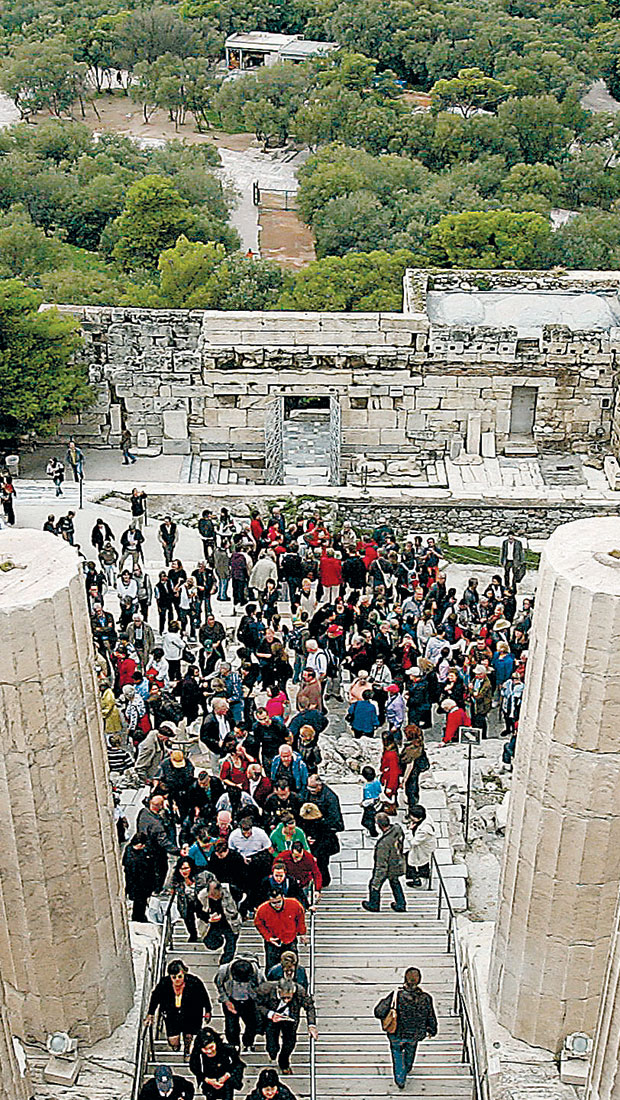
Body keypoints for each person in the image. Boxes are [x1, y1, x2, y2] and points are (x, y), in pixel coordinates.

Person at [374, 967, 438, 1089]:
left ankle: (400, 1079)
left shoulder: (396, 995)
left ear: (405, 979)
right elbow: (431, 1017)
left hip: (396, 1032)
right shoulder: (426, 998)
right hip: (415, 1034)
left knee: (397, 1052)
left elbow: (379, 1012)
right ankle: (407, 1067)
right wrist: (432, 1030)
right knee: (411, 1050)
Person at [146, 960, 212, 1056]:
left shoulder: (194, 982)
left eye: (180, 977)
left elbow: (204, 996)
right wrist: (150, 1013)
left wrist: (208, 1010)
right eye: (174, 977)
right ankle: (176, 1046)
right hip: (172, 1013)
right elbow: (156, 997)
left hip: (191, 1013)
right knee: (173, 1040)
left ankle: (187, 1048)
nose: (177, 980)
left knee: (189, 1034)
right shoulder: (164, 983)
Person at [256, 978, 318, 1076]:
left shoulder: (300, 991)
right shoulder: (265, 989)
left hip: (290, 1020)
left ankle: (284, 1062)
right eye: (284, 997)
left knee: (290, 1042)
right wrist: (270, 1014)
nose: (286, 1000)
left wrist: (311, 1025)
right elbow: (257, 1004)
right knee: (271, 1043)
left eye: (289, 998)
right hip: (272, 1019)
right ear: (278, 991)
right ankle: (273, 1053)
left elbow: (309, 1006)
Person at [215, 956, 265, 1051]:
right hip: (231, 1000)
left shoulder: (258, 974)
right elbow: (219, 984)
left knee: (252, 1024)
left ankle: (248, 1043)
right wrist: (226, 1001)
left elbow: (263, 989)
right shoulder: (223, 970)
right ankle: (234, 1045)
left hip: (249, 1001)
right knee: (231, 1025)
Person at [362, 812, 406, 913]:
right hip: (397, 861)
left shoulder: (383, 843)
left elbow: (381, 864)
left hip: (388, 865)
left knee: (374, 884)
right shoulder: (397, 829)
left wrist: (377, 879)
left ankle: (374, 904)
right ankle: (401, 904)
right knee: (395, 882)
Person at [254, 889, 307, 972]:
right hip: (273, 941)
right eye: (273, 903)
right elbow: (259, 924)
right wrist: (268, 937)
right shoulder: (262, 910)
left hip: (290, 939)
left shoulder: (294, 904)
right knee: (271, 965)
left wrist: (302, 933)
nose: (277, 905)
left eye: (279, 902)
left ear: (283, 897)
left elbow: (300, 917)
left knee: (292, 964)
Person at [188, 1026, 244, 1100]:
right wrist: (206, 1079)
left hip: (226, 1081)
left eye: (211, 1047)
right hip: (209, 1080)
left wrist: (227, 1075)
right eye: (205, 1049)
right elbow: (194, 1068)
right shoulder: (197, 1055)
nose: (209, 1051)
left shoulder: (226, 1049)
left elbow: (238, 1064)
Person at [197, 878, 241, 964]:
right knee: (210, 942)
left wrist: (241, 913)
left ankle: (225, 963)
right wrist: (208, 919)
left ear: (220, 891)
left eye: (215, 895)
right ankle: (219, 941)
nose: (214, 898)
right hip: (213, 923)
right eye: (211, 895)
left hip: (230, 921)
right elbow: (198, 912)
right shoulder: (201, 896)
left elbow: (243, 898)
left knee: (231, 944)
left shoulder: (231, 889)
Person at [122, 832, 158, 922]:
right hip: (137, 882)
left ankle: (139, 916)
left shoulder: (130, 850)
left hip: (143, 881)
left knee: (141, 901)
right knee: (139, 901)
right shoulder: (134, 855)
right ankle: (138, 917)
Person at [404, 805, 437, 886]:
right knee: (422, 862)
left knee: (412, 862)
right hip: (424, 845)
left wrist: (409, 830)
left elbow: (413, 842)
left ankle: (416, 879)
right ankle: (424, 873)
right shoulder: (425, 818)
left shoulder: (424, 830)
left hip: (422, 848)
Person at [360, 765, 381, 838]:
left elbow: (368, 800)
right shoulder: (377, 782)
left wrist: (362, 804)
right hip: (377, 803)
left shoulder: (367, 788)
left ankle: (373, 834)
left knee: (366, 821)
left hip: (370, 806)